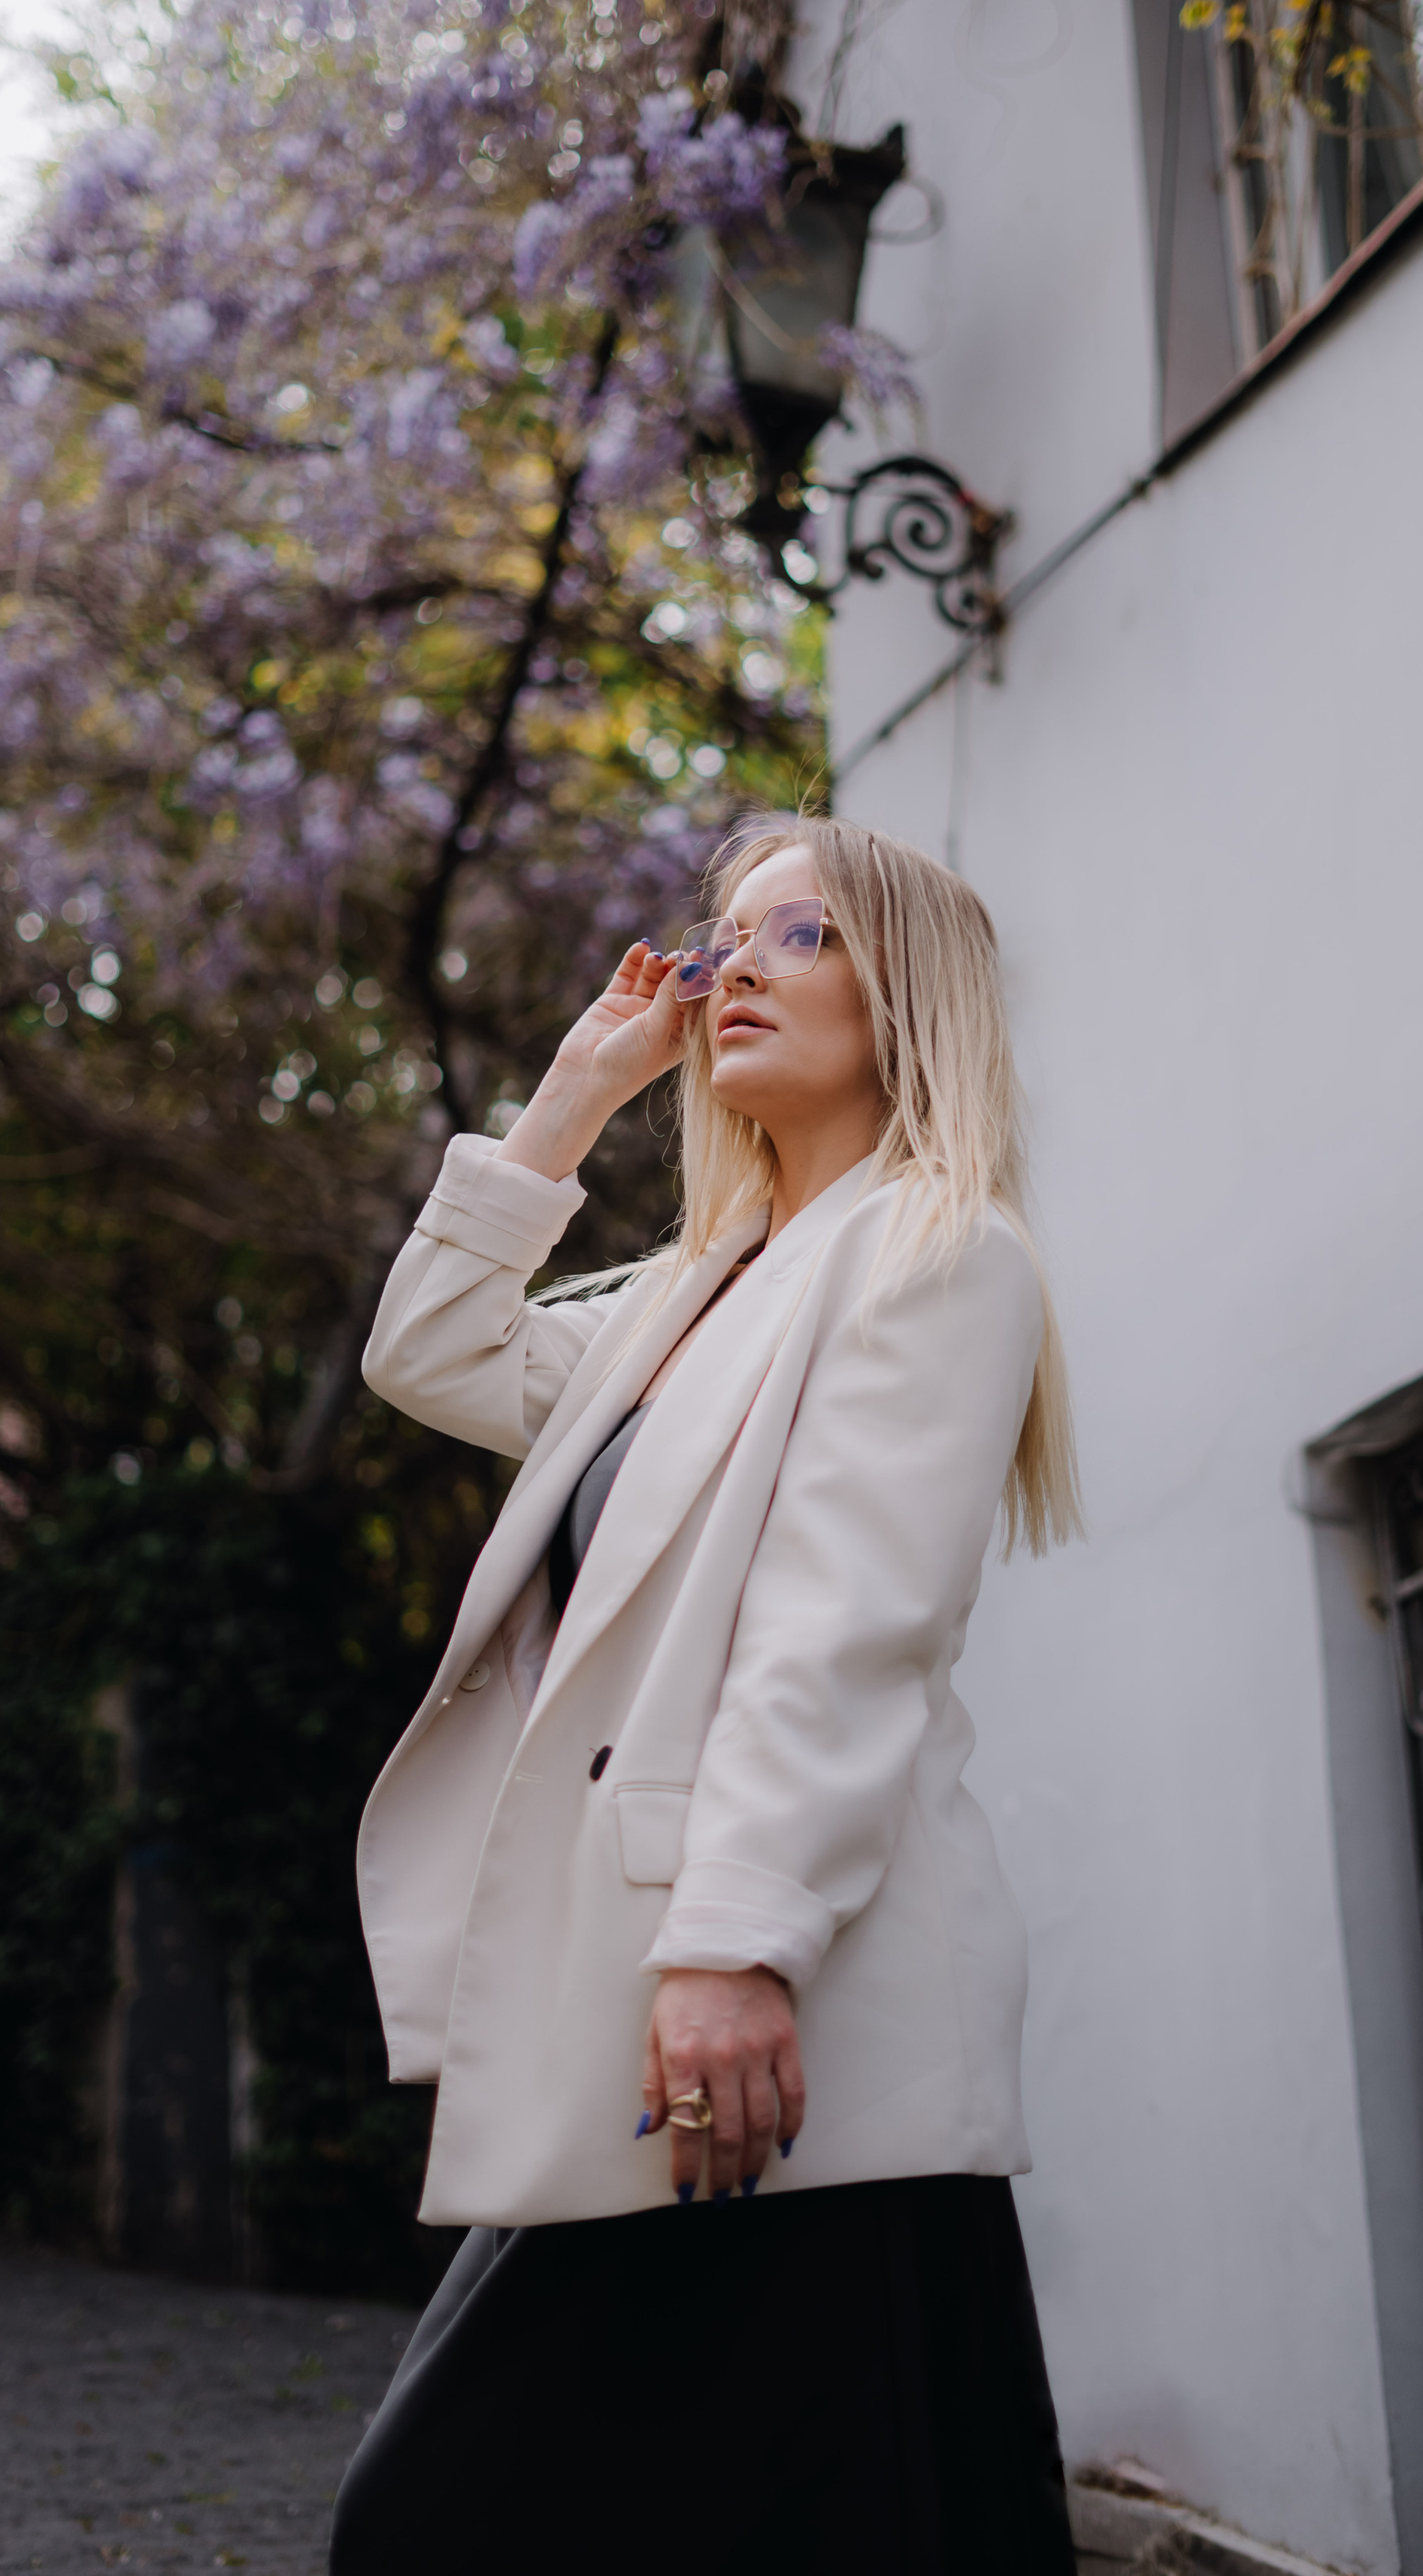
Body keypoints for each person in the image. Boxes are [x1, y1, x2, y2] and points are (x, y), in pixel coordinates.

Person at [329, 814, 1082, 2576]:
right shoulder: (685, 1294)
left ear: (911, 999)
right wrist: (575, 1097)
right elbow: (427, 1350)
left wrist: (737, 1948)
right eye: (725, 936)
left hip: (773, 2018)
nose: (735, 963)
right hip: (658, 2010)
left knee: (473, 2518)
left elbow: (841, 1633)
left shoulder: (933, 1252)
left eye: (800, 933)